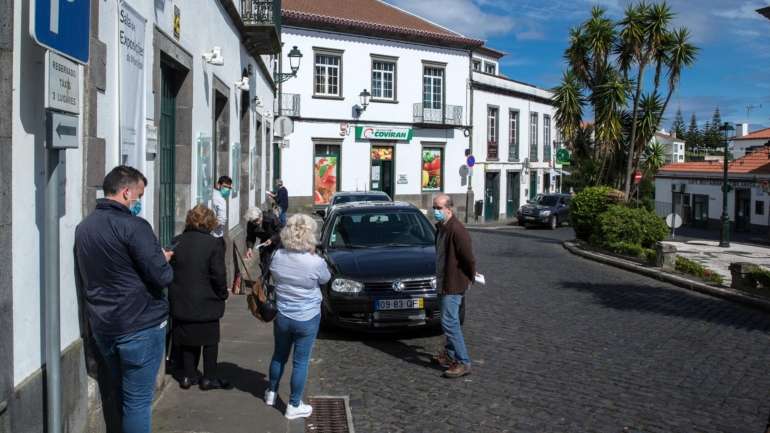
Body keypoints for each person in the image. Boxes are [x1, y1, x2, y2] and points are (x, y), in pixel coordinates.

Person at [75, 166, 174, 433]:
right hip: (139, 324)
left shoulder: (85, 227)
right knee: (138, 402)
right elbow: (162, 276)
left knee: (117, 395)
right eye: (138, 195)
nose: (138, 201)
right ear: (126, 191)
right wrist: (163, 260)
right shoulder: (134, 226)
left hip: (104, 324)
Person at [264, 214, 330, 420]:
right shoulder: (315, 262)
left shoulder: (277, 256)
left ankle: (272, 393)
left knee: (279, 355)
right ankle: (293, 404)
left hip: (283, 313)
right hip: (307, 316)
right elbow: (325, 279)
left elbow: (274, 274)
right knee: (300, 362)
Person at [169, 204, 231, 391]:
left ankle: (188, 376)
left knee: (188, 339)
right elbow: (218, 274)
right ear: (210, 222)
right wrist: (223, 293)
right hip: (207, 300)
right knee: (210, 340)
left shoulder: (177, 241)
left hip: (182, 300)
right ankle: (209, 378)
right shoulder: (214, 244)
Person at [431, 194, 476, 379]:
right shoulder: (441, 228)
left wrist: (470, 277)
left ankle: (463, 362)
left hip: (453, 283)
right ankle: (449, 355)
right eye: (434, 208)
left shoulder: (457, 230)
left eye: (438, 208)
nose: (435, 211)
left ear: (449, 209)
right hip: (443, 281)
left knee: (450, 322)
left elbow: (468, 258)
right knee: (450, 319)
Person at [245, 206, 281, 273]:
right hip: (264, 243)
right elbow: (250, 237)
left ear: (261, 216)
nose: (255, 223)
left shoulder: (271, 218)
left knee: (276, 265)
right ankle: (265, 279)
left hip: (276, 242)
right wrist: (249, 248)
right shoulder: (251, 223)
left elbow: (280, 231)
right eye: (253, 222)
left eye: (256, 220)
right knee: (264, 265)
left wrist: (271, 239)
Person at [211, 175, 233, 240]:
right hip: (216, 236)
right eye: (225, 186)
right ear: (219, 185)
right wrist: (210, 229)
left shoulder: (212, 194)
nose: (227, 189)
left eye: (229, 188)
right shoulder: (220, 199)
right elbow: (222, 219)